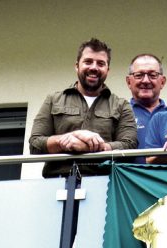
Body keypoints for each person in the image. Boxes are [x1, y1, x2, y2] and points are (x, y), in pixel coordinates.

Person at [29, 38, 137, 178]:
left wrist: (92, 147)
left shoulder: (121, 105)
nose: (94, 67)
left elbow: (130, 146)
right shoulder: (53, 100)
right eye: (88, 62)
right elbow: (35, 144)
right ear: (77, 66)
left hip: (104, 185)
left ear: (107, 70)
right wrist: (68, 140)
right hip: (57, 183)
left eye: (100, 63)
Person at [125, 54, 167, 163]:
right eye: (139, 75)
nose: (146, 80)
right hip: (128, 179)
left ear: (163, 82)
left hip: (165, 179)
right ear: (128, 82)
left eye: (152, 75)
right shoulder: (119, 115)